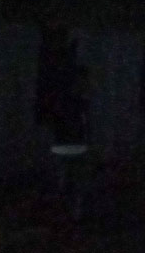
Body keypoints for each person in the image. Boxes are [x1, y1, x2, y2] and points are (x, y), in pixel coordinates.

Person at [50, 66, 90, 221]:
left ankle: (70, 214)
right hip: (67, 145)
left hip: (72, 145)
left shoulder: (77, 101)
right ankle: (65, 214)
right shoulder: (71, 101)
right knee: (68, 182)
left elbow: (85, 125)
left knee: (72, 182)